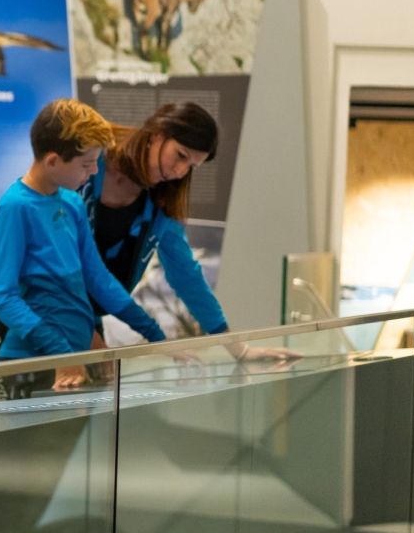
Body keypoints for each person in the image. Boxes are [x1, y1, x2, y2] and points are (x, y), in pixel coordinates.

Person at [78, 102, 298, 361]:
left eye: (191, 166)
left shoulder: (160, 204)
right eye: (181, 156)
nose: (179, 172)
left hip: (87, 320)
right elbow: (50, 259)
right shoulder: (86, 165)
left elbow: (186, 275)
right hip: (44, 314)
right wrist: (84, 333)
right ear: (157, 135)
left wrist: (239, 350)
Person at [0, 99, 167, 394]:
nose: (94, 172)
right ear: (53, 161)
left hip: (74, 360)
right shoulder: (15, 208)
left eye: (97, 161)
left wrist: (156, 336)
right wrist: (61, 353)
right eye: (86, 164)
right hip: (37, 363)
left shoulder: (73, 202)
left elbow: (98, 279)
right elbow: (2, 295)